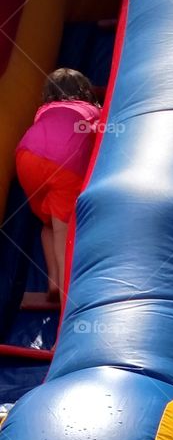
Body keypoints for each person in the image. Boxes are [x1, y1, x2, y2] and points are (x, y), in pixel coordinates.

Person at [15, 68, 101, 299]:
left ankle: (53, 280)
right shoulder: (92, 111)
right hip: (65, 165)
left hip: (27, 156)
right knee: (64, 230)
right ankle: (65, 294)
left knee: (48, 224)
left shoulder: (44, 110)